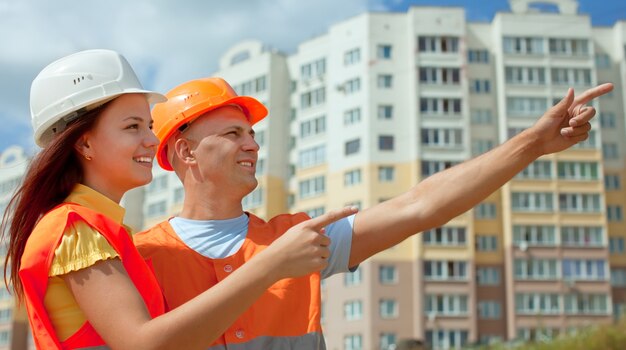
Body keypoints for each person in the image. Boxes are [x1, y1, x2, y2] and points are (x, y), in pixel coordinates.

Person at [135, 77, 613, 349]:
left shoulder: (300, 239)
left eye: (252, 134)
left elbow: (420, 206)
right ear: (185, 152)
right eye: (234, 134)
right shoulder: (140, 257)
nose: (253, 144)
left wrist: (529, 145)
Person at [0, 50, 355, 350]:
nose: (152, 142)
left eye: (148, 127)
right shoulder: (76, 228)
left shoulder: (97, 228)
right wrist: (271, 265)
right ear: (85, 143)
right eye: (132, 127)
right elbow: (144, 344)